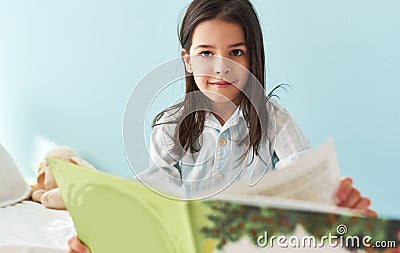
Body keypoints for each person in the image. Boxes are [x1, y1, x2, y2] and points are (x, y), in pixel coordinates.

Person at [68, 0, 376, 252]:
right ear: (188, 60)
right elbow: (154, 201)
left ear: (252, 58)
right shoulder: (169, 127)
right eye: (206, 53)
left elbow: (306, 182)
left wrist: (330, 205)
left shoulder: (276, 122)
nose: (221, 66)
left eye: (236, 52)